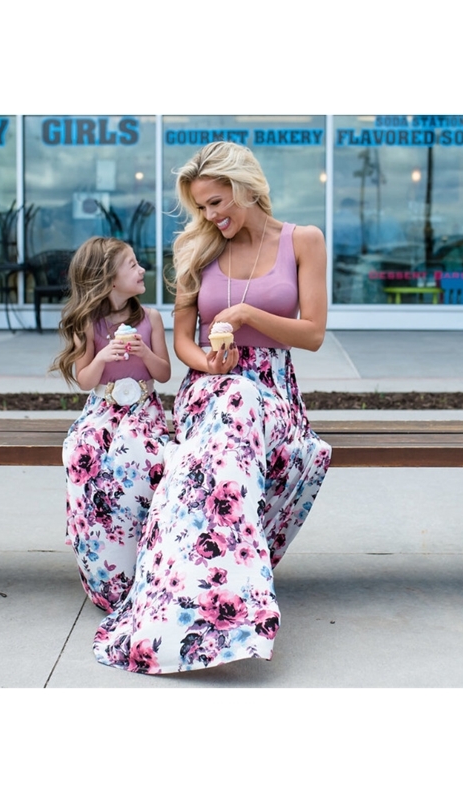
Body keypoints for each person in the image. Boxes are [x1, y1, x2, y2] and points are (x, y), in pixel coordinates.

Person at [91, 141, 332, 674]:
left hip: (272, 389)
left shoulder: (303, 241)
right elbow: (181, 341)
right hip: (208, 386)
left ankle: (196, 587)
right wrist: (209, 361)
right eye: (201, 206)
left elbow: (313, 334)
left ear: (246, 188)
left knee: (239, 406)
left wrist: (248, 314)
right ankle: (209, 596)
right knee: (230, 402)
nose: (209, 215)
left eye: (217, 201)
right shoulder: (194, 248)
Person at [51, 237, 171, 612]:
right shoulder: (90, 323)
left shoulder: (150, 319)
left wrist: (144, 352)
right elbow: (86, 380)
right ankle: (94, 544)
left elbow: (164, 374)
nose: (142, 270)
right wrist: (103, 354)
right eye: (132, 264)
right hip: (103, 408)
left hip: (144, 410)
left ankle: (139, 554)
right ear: (107, 277)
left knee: (142, 458)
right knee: (82, 451)